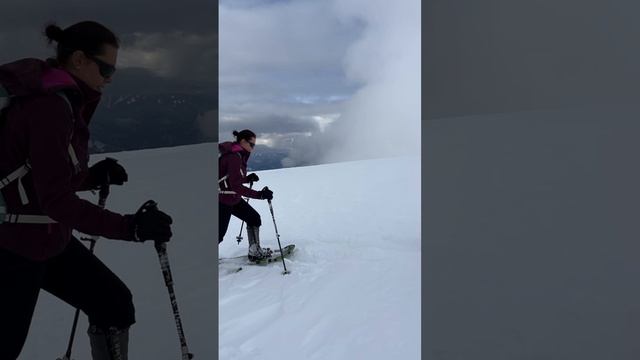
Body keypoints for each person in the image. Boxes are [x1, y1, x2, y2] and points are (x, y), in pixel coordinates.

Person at [0, 21, 173, 360]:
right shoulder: (49, 107)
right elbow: (56, 201)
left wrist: (91, 177)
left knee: (114, 303)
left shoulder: (60, 99)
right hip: (14, 246)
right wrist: (130, 227)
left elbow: (41, 174)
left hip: (47, 239)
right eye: (105, 67)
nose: (109, 77)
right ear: (78, 59)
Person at [218, 129, 274, 261]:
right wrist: (260, 195)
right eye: (251, 144)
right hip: (223, 200)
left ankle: (254, 251)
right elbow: (236, 186)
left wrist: (247, 179)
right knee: (218, 234)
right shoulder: (234, 157)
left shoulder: (237, 154)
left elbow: (231, 178)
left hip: (232, 198)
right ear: (242, 141)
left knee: (254, 218)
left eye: (254, 145)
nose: (252, 148)